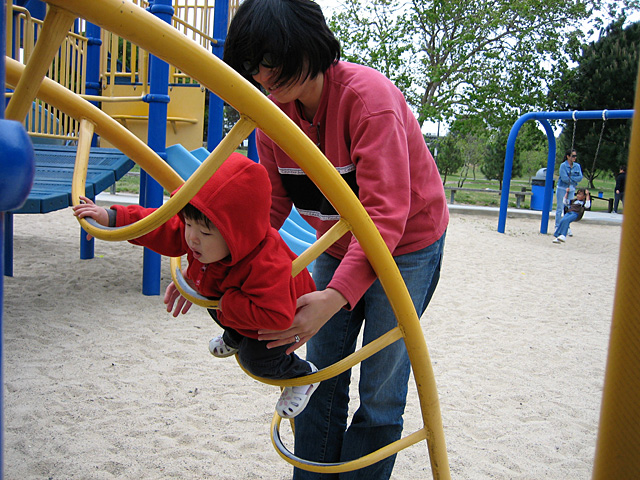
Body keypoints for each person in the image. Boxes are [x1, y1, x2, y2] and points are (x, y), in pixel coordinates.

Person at [223, 1, 449, 479]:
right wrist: (223, 264)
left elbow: (386, 214)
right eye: (253, 64)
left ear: (304, 42)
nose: (264, 73)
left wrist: (333, 297)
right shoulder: (273, 117)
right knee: (319, 373)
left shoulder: (368, 100)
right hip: (338, 241)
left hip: (407, 245)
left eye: (273, 57)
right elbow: (269, 207)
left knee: (381, 387)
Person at [72, 153, 319, 419]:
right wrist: (111, 218)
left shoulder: (266, 263)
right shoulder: (201, 231)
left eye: (204, 233)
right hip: (240, 301)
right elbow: (160, 225)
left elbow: (276, 316)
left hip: (282, 318)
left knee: (255, 361)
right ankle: (236, 334)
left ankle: (302, 376)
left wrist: (227, 304)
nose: (192, 238)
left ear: (236, 234)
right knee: (210, 298)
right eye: (189, 224)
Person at [555, 149, 583, 233]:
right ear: (568, 156)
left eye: (575, 156)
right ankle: (557, 225)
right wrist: (574, 180)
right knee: (560, 207)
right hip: (562, 188)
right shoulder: (563, 166)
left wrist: (571, 180)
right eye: (573, 156)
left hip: (572, 188)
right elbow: (564, 178)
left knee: (570, 208)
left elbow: (580, 177)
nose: (575, 157)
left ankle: (567, 226)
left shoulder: (577, 166)